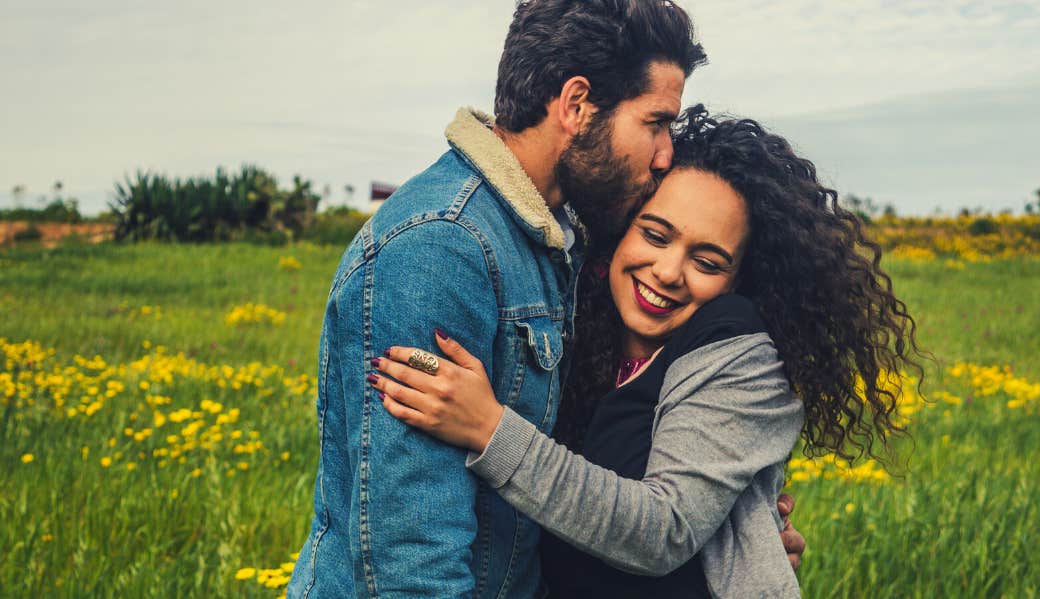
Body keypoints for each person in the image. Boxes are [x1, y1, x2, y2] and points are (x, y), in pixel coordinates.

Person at [287, 2, 802, 598]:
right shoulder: (443, 248)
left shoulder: (558, 242)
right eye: (655, 123)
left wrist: (737, 540)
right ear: (577, 105)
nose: (665, 154)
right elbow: (412, 557)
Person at [370, 107, 925, 597]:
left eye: (707, 262)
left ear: (739, 280)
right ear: (619, 230)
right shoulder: (576, 324)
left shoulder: (741, 351)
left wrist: (489, 429)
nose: (667, 272)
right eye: (655, 235)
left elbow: (662, 530)